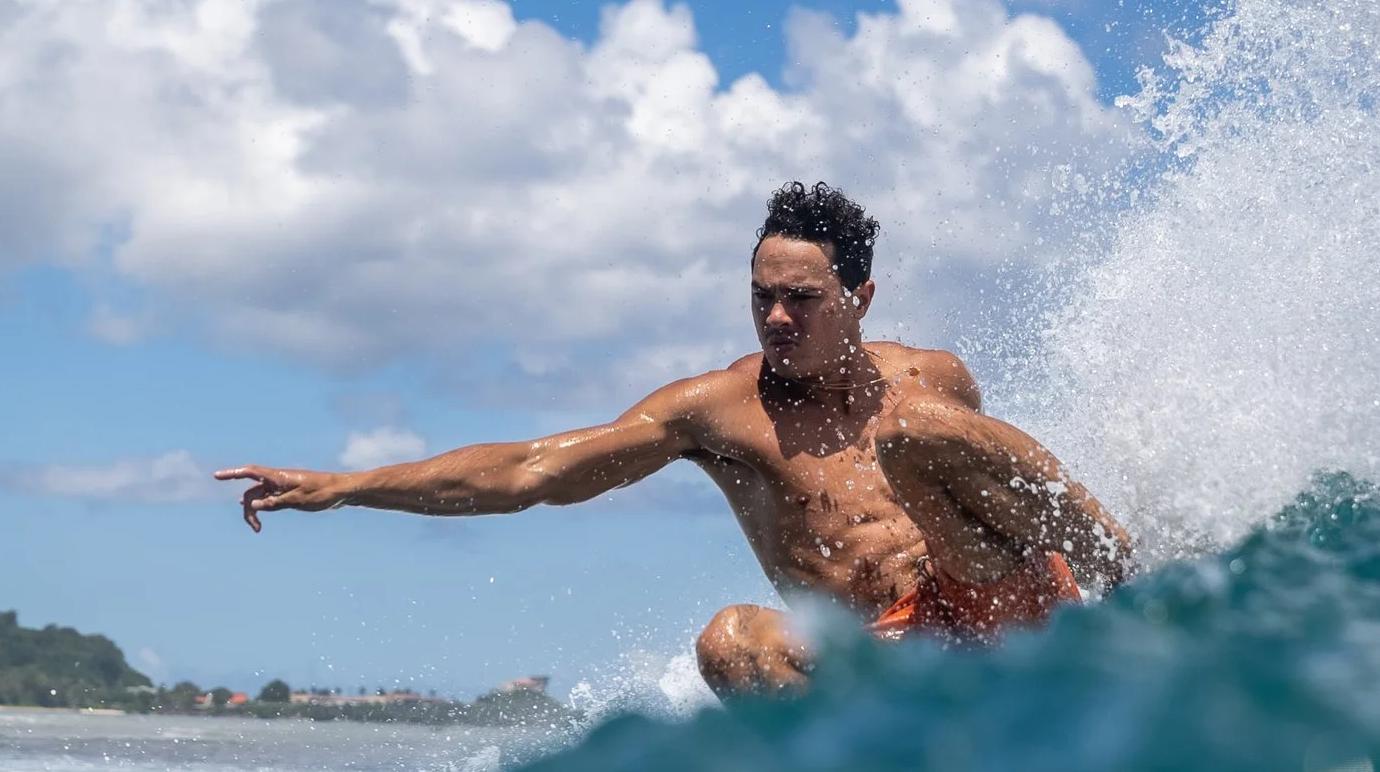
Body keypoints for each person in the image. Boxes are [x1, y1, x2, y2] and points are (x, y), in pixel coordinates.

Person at [216, 182, 1132, 696]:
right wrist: (349, 485)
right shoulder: (717, 412)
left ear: (859, 299)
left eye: (802, 299)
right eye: (761, 295)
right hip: (876, 658)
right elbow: (533, 471)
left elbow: (1002, 492)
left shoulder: (932, 376)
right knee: (731, 640)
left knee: (920, 432)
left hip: (991, 603)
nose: (776, 316)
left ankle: (1127, 576)